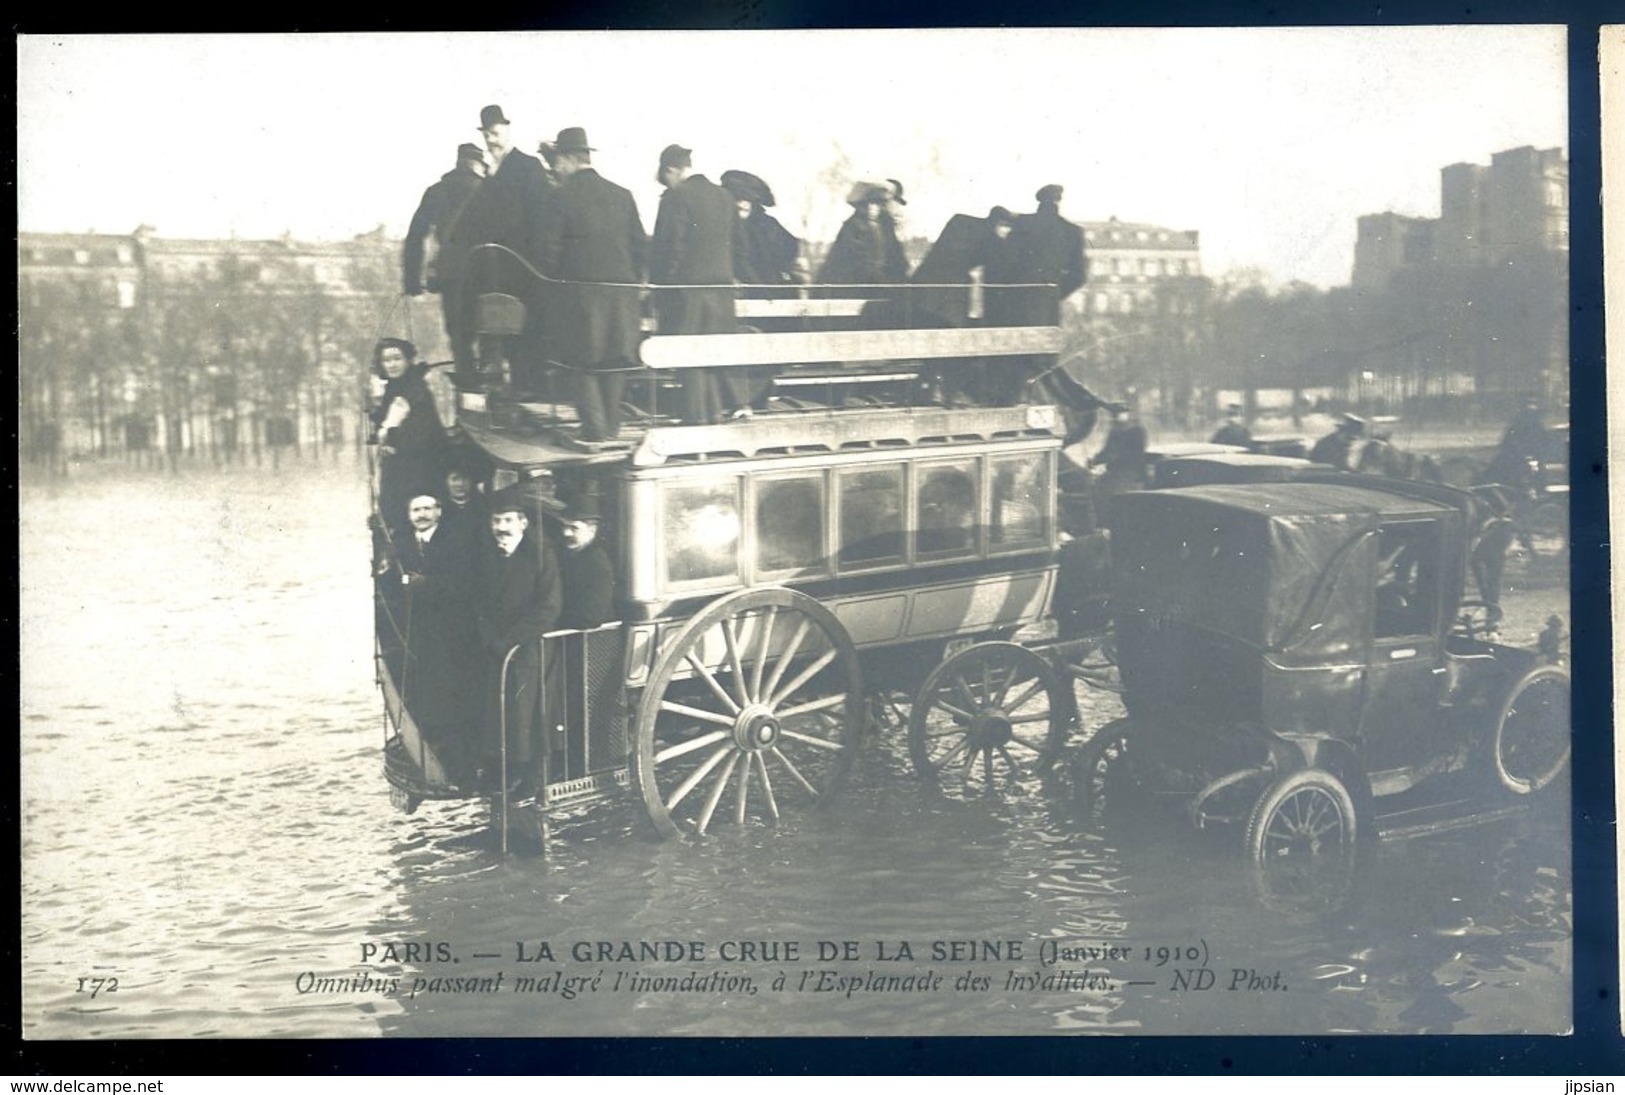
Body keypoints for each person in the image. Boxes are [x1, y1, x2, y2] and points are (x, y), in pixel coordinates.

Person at [540, 127, 647, 450]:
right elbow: (640, 245)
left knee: (580, 363)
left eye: (557, 161)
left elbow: (549, 251)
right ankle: (611, 428)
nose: (556, 168)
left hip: (581, 296)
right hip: (622, 294)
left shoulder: (560, 197)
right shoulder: (622, 194)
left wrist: (549, 283)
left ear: (571, 159)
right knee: (614, 360)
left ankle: (595, 432)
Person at [456, 105, 556, 390]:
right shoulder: (492, 172)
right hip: (500, 267)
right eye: (487, 135)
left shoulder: (527, 166)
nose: (491, 140)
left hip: (525, 264)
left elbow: (541, 216)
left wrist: (537, 262)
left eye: (496, 133)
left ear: (507, 131)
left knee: (529, 330)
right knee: (508, 330)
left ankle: (532, 388)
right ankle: (520, 387)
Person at [475, 488, 562, 795]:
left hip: (529, 648)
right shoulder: (490, 553)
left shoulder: (541, 554)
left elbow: (549, 608)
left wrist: (510, 641)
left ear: (523, 523)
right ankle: (500, 770)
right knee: (497, 710)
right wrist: (490, 638)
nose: (502, 527)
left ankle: (526, 776)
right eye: (497, 520)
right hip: (497, 647)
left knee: (524, 713)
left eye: (509, 520)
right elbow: (480, 603)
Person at [650, 143, 746, 424]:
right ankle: (713, 418)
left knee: (688, 357)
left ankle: (696, 423)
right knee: (713, 356)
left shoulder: (676, 197)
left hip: (687, 293)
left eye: (666, 178)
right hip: (722, 293)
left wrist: (661, 288)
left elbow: (669, 249)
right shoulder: (725, 197)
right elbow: (741, 247)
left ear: (672, 170)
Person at [391, 491, 481, 784]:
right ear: (409, 516)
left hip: (453, 634)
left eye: (428, 508)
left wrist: (425, 585)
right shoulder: (406, 544)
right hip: (423, 635)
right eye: (416, 510)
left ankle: (462, 762)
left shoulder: (453, 542)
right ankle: (438, 752)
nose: (422, 514)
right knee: (429, 691)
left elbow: (463, 584)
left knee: (455, 695)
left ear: (439, 512)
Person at [983, 184, 1088, 404]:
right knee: (1041, 354)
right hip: (1045, 303)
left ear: (1039, 202)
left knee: (1011, 352)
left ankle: (1008, 400)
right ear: (1058, 202)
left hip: (1014, 300)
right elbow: (1079, 276)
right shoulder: (1072, 231)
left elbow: (1003, 262)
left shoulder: (1022, 224)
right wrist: (1053, 292)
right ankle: (1039, 402)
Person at [403, 142, 487, 376]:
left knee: (459, 335)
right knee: (489, 330)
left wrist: (412, 280)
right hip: (487, 272)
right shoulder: (489, 190)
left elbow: (415, 236)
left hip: (451, 273)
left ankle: (467, 379)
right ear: (478, 164)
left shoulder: (437, 191)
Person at [369, 338, 447, 535]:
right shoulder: (393, 388)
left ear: (408, 360)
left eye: (397, 358)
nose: (392, 364)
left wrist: (392, 438)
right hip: (398, 466)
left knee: (412, 515)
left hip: (419, 466)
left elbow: (423, 431)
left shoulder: (416, 390)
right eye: (387, 360)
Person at [720, 169, 803, 290]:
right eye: (737, 199)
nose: (742, 204)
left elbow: (789, 251)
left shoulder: (767, 225)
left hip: (768, 290)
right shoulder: (723, 226)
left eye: (746, 199)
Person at [547, 491, 616, 630]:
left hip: (591, 643)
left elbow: (590, 617)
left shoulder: (597, 564)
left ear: (592, 530)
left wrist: (550, 621)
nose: (566, 533)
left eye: (574, 528)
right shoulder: (568, 554)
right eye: (565, 526)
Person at [817, 182, 908, 286]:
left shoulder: (885, 227)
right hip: (853, 284)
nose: (872, 208)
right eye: (867, 204)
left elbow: (896, 256)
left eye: (877, 203)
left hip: (878, 283)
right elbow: (859, 261)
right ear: (859, 206)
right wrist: (884, 282)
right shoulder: (852, 227)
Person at [1090, 406, 1149, 495]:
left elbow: (1128, 453)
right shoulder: (1114, 432)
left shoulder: (1136, 431)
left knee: (1107, 490)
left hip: (1130, 473)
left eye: (1118, 415)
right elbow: (1107, 450)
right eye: (1113, 415)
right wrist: (1095, 460)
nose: (1114, 419)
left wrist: (1102, 459)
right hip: (1118, 471)